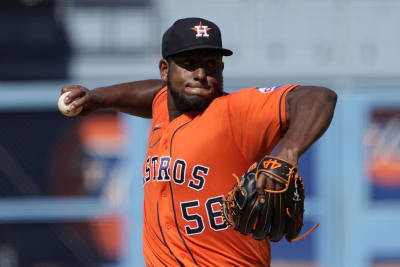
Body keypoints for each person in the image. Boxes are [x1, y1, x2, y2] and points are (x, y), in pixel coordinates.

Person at [61, 17, 337, 267]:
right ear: (165, 70)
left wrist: (288, 151)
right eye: (190, 64)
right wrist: (99, 98)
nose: (201, 74)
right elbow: (155, 94)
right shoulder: (163, 107)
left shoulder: (234, 111)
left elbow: (318, 97)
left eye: (211, 64)